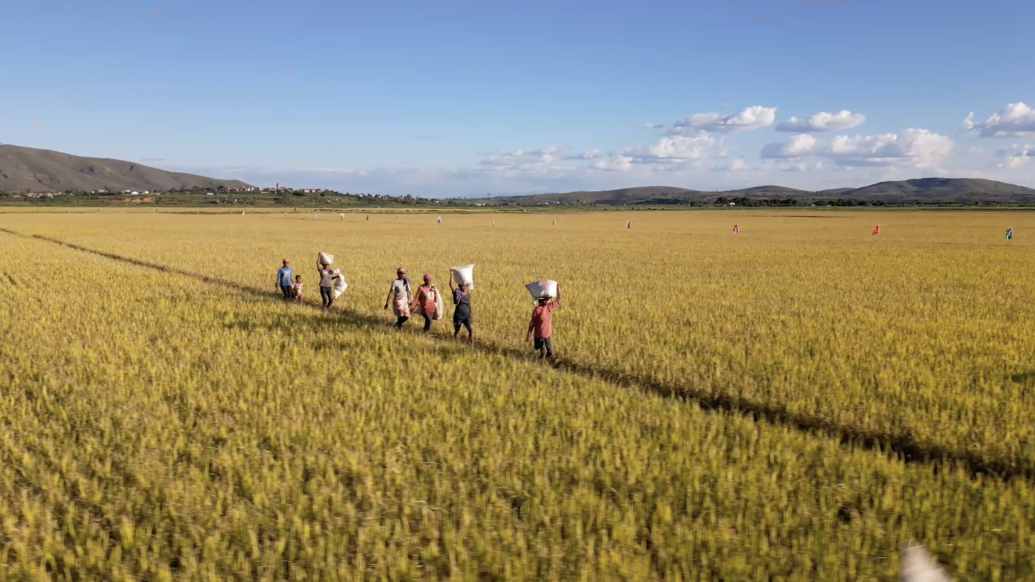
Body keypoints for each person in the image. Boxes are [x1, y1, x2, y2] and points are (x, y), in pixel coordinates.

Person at [527, 285, 561, 360]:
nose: (548, 300)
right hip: (539, 336)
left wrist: (557, 289)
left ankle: (542, 363)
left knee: (550, 352)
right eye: (546, 299)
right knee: (544, 352)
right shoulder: (537, 310)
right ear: (541, 301)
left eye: (548, 299)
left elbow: (558, 300)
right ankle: (537, 364)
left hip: (547, 335)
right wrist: (529, 333)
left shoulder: (548, 307)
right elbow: (532, 323)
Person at [449, 274, 473, 345]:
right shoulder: (457, 293)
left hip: (466, 316)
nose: (464, 287)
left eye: (465, 286)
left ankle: (471, 345)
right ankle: (456, 344)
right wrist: (451, 274)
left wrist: (470, 314)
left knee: (471, 331)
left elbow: (469, 305)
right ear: (459, 286)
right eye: (463, 286)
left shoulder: (468, 295)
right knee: (456, 331)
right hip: (458, 316)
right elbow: (450, 285)